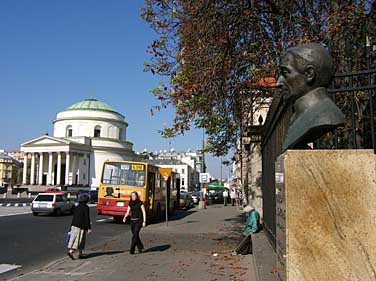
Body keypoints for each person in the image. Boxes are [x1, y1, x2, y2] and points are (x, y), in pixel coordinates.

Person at [276, 43, 345, 151]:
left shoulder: (326, 115)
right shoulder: (297, 116)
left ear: (309, 74)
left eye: (285, 73)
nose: (278, 83)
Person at [67, 193, 91, 260]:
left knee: (79, 239)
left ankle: (80, 254)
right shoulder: (86, 207)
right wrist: (88, 228)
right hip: (81, 226)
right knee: (78, 240)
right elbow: (86, 218)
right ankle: (71, 252)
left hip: (74, 225)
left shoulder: (78, 206)